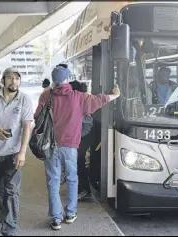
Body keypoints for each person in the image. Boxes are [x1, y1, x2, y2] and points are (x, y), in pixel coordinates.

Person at [35, 64, 120, 231]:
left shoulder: (46, 96)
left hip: (49, 145)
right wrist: (115, 95)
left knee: (53, 181)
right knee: (72, 178)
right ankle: (71, 213)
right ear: (67, 79)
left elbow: (37, 116)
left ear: (54, 79)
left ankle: (55, 218)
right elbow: (99, 100)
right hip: (70, 146)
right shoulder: (78, 97)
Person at [0, 68, 33, 236]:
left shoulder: (24, 99)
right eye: (9, 78)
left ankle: (9, 228)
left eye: (17, 78)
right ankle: (5, 212)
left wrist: (22, 152)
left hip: (14, 152)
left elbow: (27, 126)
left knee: (11, 190)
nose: (13, 81)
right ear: (3, 80)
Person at [69, 80, 93, 200]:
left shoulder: (82, 101)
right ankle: (81, 189)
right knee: (77, 163)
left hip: (84, 137)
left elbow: (87, 123)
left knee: (79, 163)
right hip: (80, 137)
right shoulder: (77, 100)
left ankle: (84, 190)